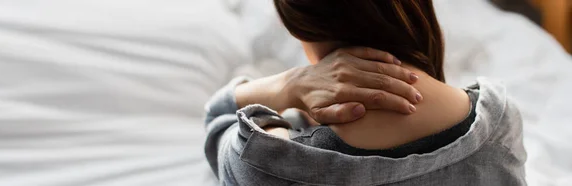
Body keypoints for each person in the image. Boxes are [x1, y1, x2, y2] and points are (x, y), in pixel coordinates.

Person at [204, 0, 526, 185]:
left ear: (298, 24)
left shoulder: (264, 159)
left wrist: (289, 85)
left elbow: (216, 117)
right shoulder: (500, 124)